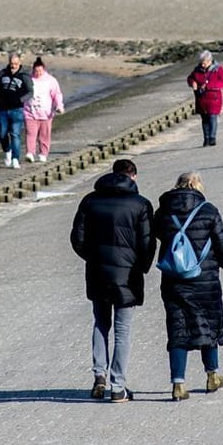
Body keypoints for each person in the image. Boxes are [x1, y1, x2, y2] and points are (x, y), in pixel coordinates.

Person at [70, 158, 154, 402]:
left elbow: (77, 238)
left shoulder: (89, 201)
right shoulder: (140, 204)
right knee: (122, 330)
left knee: (100, 323)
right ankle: (118, 386)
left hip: (97, 271)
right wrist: (141, 267)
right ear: (133, 177)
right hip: (128, 275)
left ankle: (99, 375)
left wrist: (93, 258)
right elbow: (148, 242)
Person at [153, 171, 223, 401]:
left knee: (178, 328)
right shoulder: (208, 210)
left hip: (174, 279)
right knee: (208, 324)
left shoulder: (164, 212)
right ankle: (212, 375)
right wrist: (221, 262)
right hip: (205, 278)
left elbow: (156, 235)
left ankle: (178, 383)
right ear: (198, 186)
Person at [0, 52, 33, 168]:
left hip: (17, 110)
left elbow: (30, 92)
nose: (13, 66)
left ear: (19, 63)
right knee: (2, 133)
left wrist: (20, 100)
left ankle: (15, 158)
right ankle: (7, 151)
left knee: (15, 134)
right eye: (11, 63)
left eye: (15, 63)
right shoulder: (3, 73)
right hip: (3, 109)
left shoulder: (24, 76)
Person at [21, 56, 65, 162]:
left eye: (40, 71)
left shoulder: (51, 80)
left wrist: (59, 106)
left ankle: (43, 153)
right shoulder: (28, 79)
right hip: (30, 111)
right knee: (31, 133)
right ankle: (30, 153)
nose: (38, 73)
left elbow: (56, 94)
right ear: (33, 70)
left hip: (46, 113)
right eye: (36, 71)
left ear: (44, 69)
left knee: (44, 135)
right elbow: (22, 92)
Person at [187, 51, 223, 146]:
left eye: (204, 62)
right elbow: (190, 78)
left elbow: (222, 82)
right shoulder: (197, 69)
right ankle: (206, 139)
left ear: (209, 60)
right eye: (201, 62)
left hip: (214, 98)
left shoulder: (218, 69)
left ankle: (212, 137)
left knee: (212, 117)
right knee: (204, 119)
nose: (202, 64)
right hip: (201, 99)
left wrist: (208, 86)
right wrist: (192, 83)